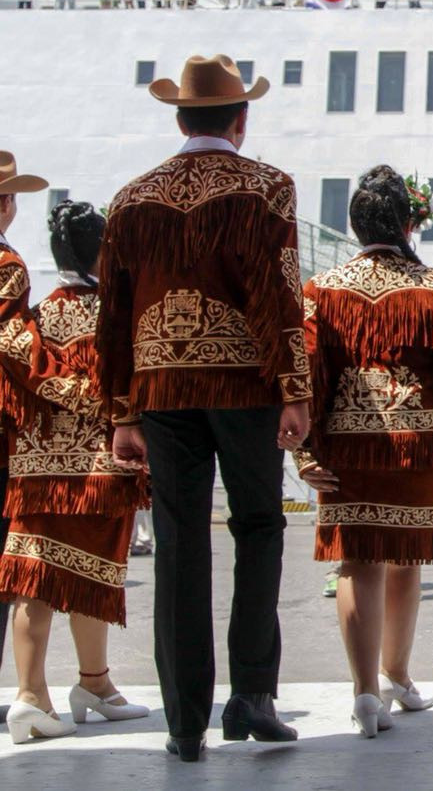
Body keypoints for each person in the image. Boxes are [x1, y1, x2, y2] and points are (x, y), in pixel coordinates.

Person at [97, 55, 312, 761]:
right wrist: (295, 389)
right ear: (240, 119)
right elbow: (277, 296)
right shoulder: (266, 189)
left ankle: (184, 722)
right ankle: (252, 693)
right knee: (258, 526)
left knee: (180, 547)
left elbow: (115, 316)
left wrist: (120, 412)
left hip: (160, 392)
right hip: (245, 384)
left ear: (180, 117)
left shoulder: (132, 197)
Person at [294, 166, 433, 737]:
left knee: (358, 561)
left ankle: (365, 692)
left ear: (354, 226)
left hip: (346, 446)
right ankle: (397, 675)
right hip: (416, 443)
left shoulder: (321, 289)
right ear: (408, 221)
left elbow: (309, 373)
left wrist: (305, 450)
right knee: (405, 559)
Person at [0, 202, 151, 745]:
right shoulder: (114, 316)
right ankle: (90, 684)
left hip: (36, 469)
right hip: (95, 469)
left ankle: (33, 695)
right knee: (92, 578)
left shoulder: (33, 315)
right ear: (104, 251)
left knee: (31, 580)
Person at [0, 152, 100, 732]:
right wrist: (73, 390)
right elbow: (13, 345)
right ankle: (39, 692)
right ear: (7, 203)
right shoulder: (7, 264)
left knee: (25, 567)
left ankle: (33, 692)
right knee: (23, 572)